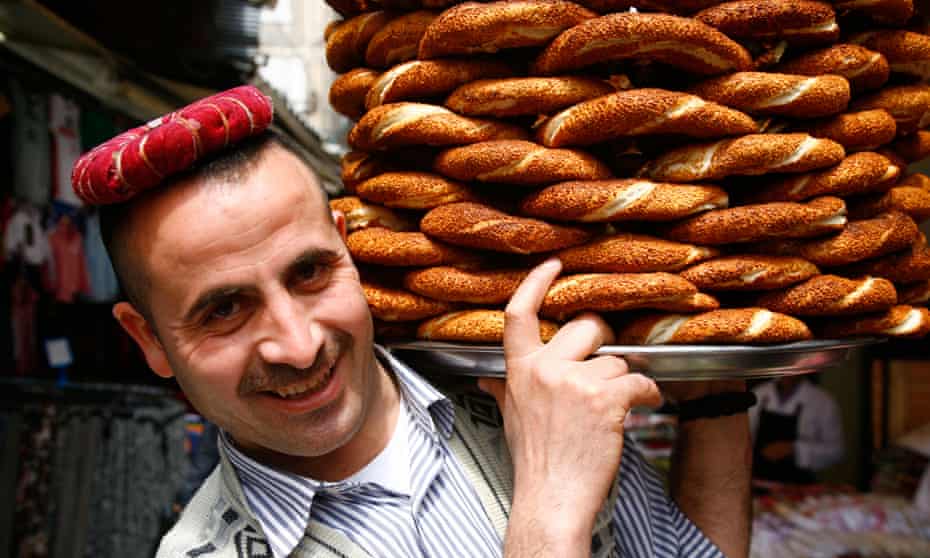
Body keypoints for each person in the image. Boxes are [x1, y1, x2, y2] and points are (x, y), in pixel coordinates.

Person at [75, 86, 752, 558]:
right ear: (148, 339)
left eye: (309, 272)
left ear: (346, 243)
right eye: (224, 310)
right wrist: (548, 516)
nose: (299, 343)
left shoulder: (518, 389)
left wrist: (715, 394)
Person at [750, 375, 845, 484]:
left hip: (798, 486)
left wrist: (795, 449)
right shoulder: (759, 393)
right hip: (757, 482)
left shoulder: (823, 401)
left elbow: (836, 452)